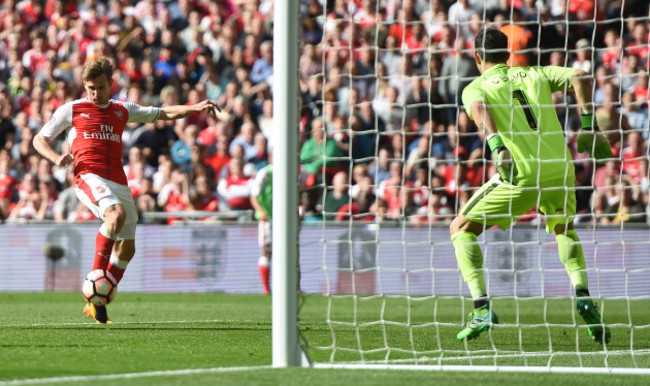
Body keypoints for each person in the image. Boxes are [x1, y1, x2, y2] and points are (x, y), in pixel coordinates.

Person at [451, 29, 612, 344]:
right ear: (509, 56)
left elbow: (481, 108)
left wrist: (498, 147)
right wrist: (589, 125)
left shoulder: (475, 87)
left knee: (461, 228)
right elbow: (580, 75)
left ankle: (481, 307)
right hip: (560, 170)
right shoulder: (535, 73)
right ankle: (582, 295)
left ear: (477, 58)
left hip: (521, 174)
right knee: (564, 229)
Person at [33, 57, 220, 324]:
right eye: (90, 88)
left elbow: (163, 112)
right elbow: (39, 139)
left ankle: (100, 296)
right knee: (115, 215)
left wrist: (195, 107)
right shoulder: (71, 109)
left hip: (118, 181)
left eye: (100, 87)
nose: (95, 93)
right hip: (88, 175)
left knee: (127, 248)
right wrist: (54, 158)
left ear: (111, 84)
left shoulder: (122, 109)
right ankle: (95, 284)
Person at [250, 160, 273, 294]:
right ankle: (266, 289)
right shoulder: (266, 173)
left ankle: (295, 288)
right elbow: (254, 195)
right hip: (268, 219)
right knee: (266, 252)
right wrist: (261, 210)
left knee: (289, 253)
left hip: (285, 220)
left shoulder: (291, 169)